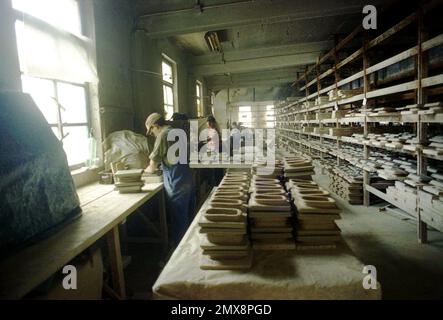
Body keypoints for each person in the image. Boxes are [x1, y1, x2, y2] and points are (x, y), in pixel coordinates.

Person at [145, 112, 195, 246]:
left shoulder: (163, 135)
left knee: (178, 219)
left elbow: (153, 164)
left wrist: (144, 171)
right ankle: (190, 246)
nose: (152, 134)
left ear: (155, 126)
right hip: (187, 178)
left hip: (176, 181)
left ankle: (179, 253)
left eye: (151, 131)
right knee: (188, 217)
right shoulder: (177, 131)